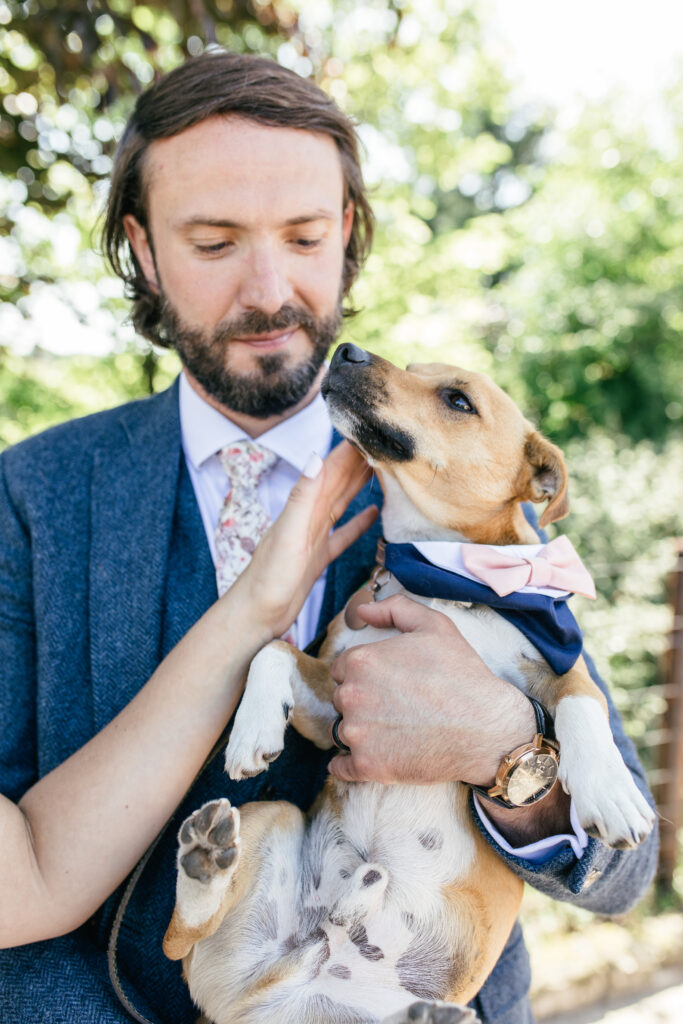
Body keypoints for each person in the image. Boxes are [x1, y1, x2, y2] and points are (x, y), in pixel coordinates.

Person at [0, 51, 657, 1024]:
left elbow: (620, 868)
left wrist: (501, 746)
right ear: (142, 249)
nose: (269, 289)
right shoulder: (35, 492)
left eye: (304, 236)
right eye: (214, 242)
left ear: (347, 233)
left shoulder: (461, 483)